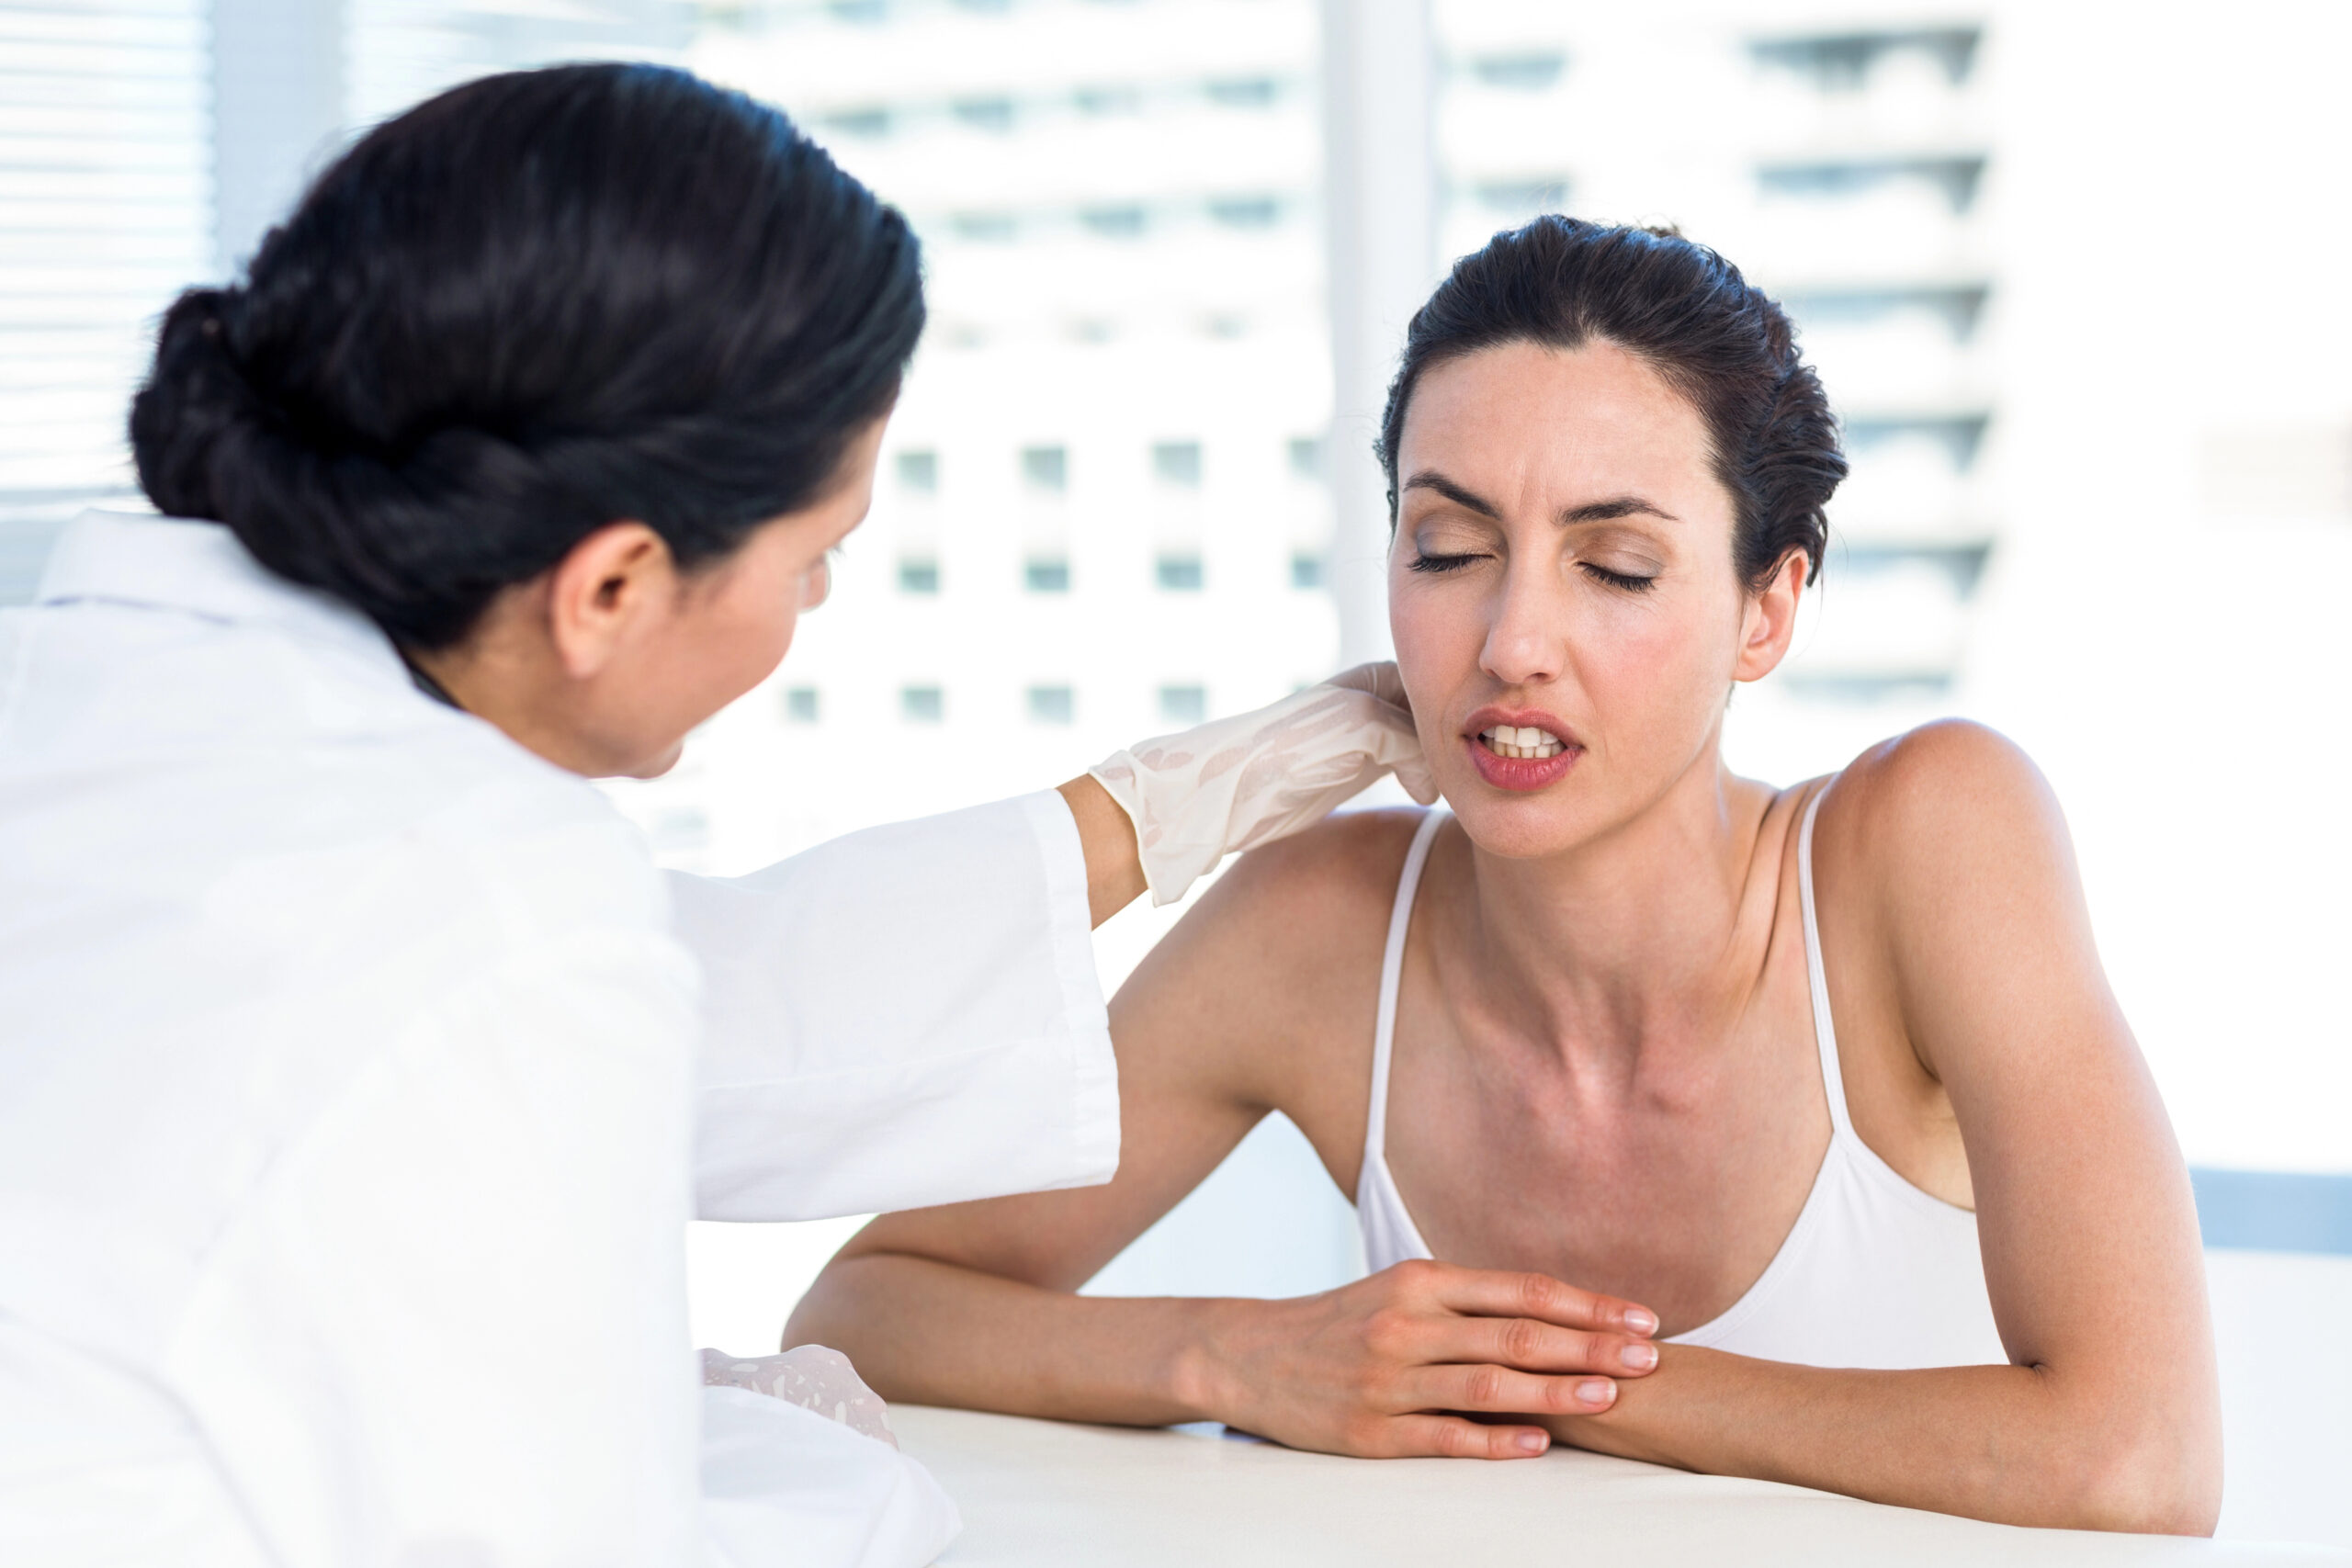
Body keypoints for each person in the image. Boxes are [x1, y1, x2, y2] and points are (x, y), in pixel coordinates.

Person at [0, 64, 1430, 1568]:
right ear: (612, 586)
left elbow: (702, 996)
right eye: (814, 556)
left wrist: (1183, 803)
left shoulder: (108, 706)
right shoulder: (481, 899)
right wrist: (815, 1470)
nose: (814, 604)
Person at [788, 218, 2225, 1535]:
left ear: (1769, 605)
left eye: (1616, 566)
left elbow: (2138, 1456)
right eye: (1452, 545)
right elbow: (861, 1308)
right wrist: (1248, 1355)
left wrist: (1544, 1386)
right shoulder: (1323, 926)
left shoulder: (1926, 840)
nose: (1512, 638)